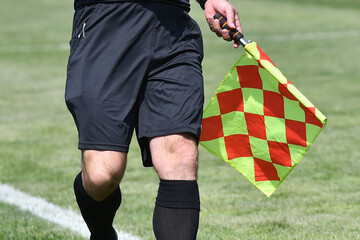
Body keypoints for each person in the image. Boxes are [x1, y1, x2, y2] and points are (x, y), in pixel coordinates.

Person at [65, 0, 241, 239]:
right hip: (105, 21)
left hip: (173, 29)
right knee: (101, 176)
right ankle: (102, 233)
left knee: (180, 159)